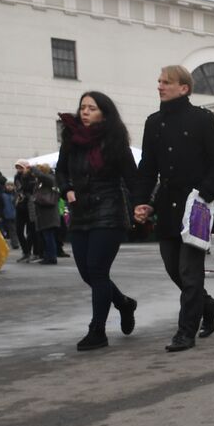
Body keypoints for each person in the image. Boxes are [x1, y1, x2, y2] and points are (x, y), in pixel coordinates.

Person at [129, 65, 214, 352]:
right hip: (167, 206)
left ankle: (186, 332)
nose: (159, 86)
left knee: (190, 272)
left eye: (166, 82)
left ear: (183, 88)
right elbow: (147, 168)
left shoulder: (202, 119)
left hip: (196, 206)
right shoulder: (153, 123)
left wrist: (205, 194)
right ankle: (208, 306)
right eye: (159, 81)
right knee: (173, 268)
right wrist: (141, 201)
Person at [56, 91, 139, 352]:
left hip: (109, 210)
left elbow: (132, 177)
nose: (85, 112)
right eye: (83, 107)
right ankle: (124, 303)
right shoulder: (72, 138)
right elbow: (61, 170)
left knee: (97, 270)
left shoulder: (114, 140)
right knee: (87, 272)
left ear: (104, 112)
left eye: (91, 108)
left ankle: (97, 330)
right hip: (80, 211)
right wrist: (66, 188)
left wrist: (141, 205)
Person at [31, 163, 61, 264]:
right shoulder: (42, 181)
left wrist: (34, 169)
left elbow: (42, 176)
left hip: (49, 214)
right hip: (44, 214)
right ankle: (48, 256)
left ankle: (51, 257)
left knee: (49, 236)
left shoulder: (49, 179)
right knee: (47, 236)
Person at [13, 161, 37, 262]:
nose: (19, 170)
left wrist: (25, 179)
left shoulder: (31, 177)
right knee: (19, 230)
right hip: (20, 206)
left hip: (30, 206)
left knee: (31, 230)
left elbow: (30, 188)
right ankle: (26, 251)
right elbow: (18, 190)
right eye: (17, 167)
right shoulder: (17, 177)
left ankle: (28, 252)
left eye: (21, 167)